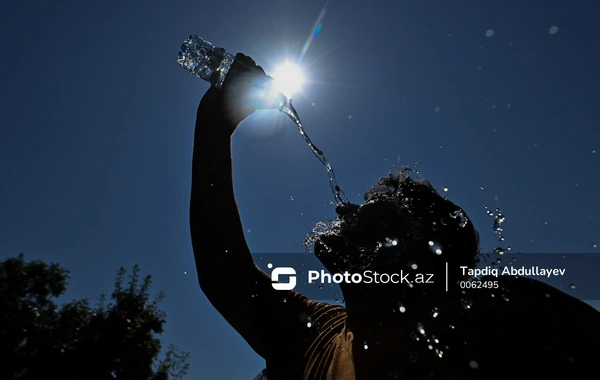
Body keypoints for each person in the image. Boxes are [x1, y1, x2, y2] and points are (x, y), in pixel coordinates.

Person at [190, 53, 600, 379]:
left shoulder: (507, 318)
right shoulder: (320, 334)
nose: (342, 208)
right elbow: (226, 277)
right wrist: (214, 124)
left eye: (374, 209)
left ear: (422, 244)